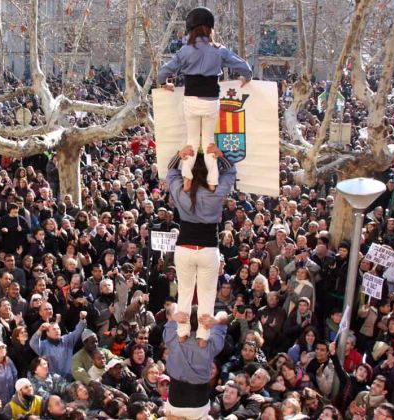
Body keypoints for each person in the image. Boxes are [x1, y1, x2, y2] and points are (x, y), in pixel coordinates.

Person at [158, 6, 251, 190]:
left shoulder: (184, 51)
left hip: (191, 101)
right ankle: (213, 181)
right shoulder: (219, 50)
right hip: (211, 102)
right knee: (209, 142)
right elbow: (245, 68)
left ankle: (186, 177)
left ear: (190, 28)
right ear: (210, 28)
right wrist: (245, 78)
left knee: (192, 141)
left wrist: (164, 84)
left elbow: (164, 72)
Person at [166, 143, 236, 342]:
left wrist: (180, 155)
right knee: (206, 296)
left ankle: (182, 333)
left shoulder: (180, 191)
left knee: (185, 294)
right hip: (208, 250)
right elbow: (230, 172)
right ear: (210, 175)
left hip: (185, 249)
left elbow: (170, 172)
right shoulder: (216, 193)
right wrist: (220, 156)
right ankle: (203, 337)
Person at [163, 304, 228, 419]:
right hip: (198, 402)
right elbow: (224, 316)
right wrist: (215, 320)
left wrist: (176, 316)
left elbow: (172, 307)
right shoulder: (210, 344)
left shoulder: (172, 337)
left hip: (176, 399)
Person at [29, 310, 87, 378]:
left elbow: (78, 331)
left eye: (58, 329)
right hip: (54, 381)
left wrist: (82, 319)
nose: (57, 331)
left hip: (69, 377)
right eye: (54, 329)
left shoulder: (67, 339)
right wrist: (40, 330)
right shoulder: (43, 345)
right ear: (47, 333)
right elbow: (32, 343)